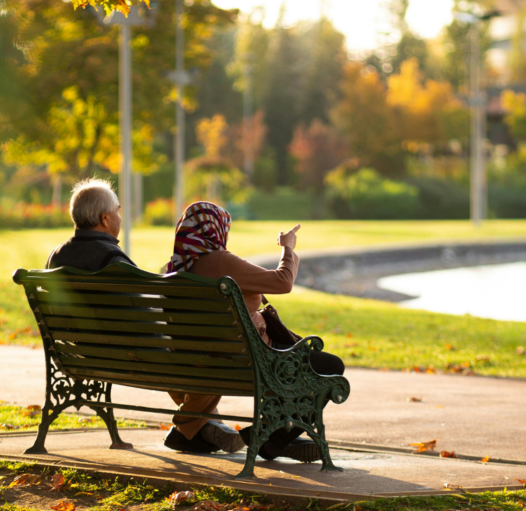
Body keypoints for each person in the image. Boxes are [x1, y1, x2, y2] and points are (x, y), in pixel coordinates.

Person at [162, 201, 345, 462]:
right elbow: (283, 282)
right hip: (250, 363)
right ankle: (273, 439)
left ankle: (277, 434)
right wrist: (288, 248)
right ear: (215, 230)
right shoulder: (219, 262)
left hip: (201, 364)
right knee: (329, 366)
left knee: (308, 361)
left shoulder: (175, 271)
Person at [46, 178, 134, 270]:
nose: (120, 219)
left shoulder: (55, 256)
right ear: (104, 219)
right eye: (117, 211)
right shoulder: (114, 260)